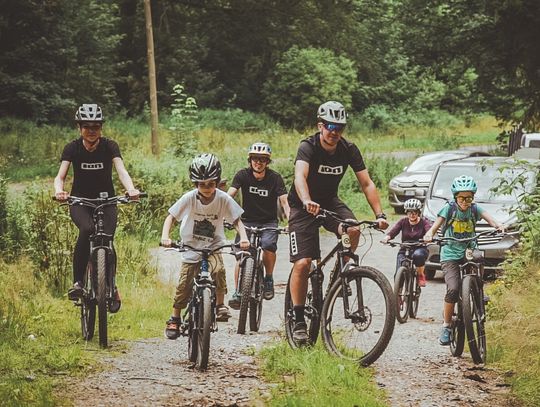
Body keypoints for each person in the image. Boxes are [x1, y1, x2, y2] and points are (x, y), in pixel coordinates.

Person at [287, 100, 389, 342]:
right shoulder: (308, 146)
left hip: (329, 201)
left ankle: (341, 273)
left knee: (353, 229)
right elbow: (300, 176)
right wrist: (307, 199)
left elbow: (367, 183)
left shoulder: (348, 149)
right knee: (302, 263)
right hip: (303, 206)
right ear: (320, 125)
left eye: (339, 127)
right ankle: (299, 317)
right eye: (330, 126)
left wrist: (380, 214)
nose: (334, 132)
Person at [54, 103, 140, 311]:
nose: (91, 130)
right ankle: (78, 283)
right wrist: (60, 191)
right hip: (80, 202)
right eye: (87, 126)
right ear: (79, 127)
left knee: (107, 240)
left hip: (106, 201)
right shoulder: (72, 148)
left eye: (96, 126)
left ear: (101, 127)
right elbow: (60, 176)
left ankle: (110, 285)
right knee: (87, 229)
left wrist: (131, 189)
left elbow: (121, 170)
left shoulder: (110, 146)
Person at [160, 153, 250, 340]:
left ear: (217, 182)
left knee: (218, 271)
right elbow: (171, 218)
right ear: (195, 184)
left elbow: (236, 221)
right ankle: (175, 318)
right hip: (191, 247)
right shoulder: (189, 198)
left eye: (211, 184)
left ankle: (219, 305)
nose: (207, 189)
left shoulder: (223, 199)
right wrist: (165, 236)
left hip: (213, 246)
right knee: (184, 284)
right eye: (202, 185)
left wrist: (244, 238)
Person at [423, 175, 505, 346]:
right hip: (450, 254)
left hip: (468, 249)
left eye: (469, 197)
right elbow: (435, 225)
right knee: (452, 289)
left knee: (478, 257)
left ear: (472, 197)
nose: (465, 201)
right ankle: (446, 325)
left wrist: (498, 225)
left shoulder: (475, 209)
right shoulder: (449, 209)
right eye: (462, 197)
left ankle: (478, 291)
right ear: (456, 197)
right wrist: (429, 234)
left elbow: (490, 218)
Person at [227, 142, 290, 308]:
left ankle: (268, 278)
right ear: (250, 160)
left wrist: (291, 221)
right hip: (246, 221)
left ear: (267, 162)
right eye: (255, 158)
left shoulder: (275, 178)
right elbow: (229, 197)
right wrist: (223, 214)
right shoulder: (242, 175)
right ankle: (238, 291)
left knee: (269, 246)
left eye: (262, 159)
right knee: (241, 254)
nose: (258, 162)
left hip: (269, 221)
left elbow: (285, 201)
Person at [382, 198, 432, 287]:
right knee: (398, 274)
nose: (412, 215)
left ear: (418, 212)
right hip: (405, 248)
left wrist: (428, 236)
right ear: (406, 212)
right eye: (409, 212)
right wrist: (387, 237)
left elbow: (429, 230)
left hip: (419, 247)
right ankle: (398, 295)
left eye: (414, 212)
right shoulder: (403, 221)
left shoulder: (424, 222)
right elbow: (394, 231)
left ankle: (420, 275)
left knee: (418, 255)